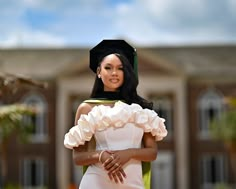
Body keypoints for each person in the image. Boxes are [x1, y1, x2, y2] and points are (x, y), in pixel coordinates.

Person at [64, 39, 168, 189]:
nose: (114, 73)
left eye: (120, 68)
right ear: (99, 72)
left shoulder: (141, 109)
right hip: (96, 182)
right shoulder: (87, 108)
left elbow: (152, 152)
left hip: (132, 184)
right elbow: (78, 157)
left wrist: (129, 153)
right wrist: (101, 155)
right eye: (108, 67)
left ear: (127, 72)